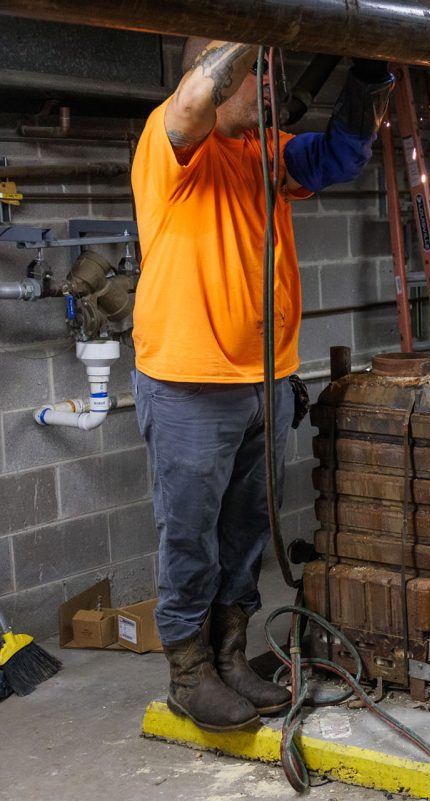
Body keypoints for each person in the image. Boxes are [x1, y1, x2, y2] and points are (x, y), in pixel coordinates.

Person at [130, 39, 393, 732]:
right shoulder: (173, 144)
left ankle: (230, 653)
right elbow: (190, 106)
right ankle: (189, 671)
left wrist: (369, 75)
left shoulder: (266, 151)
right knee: (191, 536)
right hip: (190, 384)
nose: (268, 83)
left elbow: (342, 154)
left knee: (246, 532)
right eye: (257, 72)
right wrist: (252, 29)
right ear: (215, 76)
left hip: (265, 380)